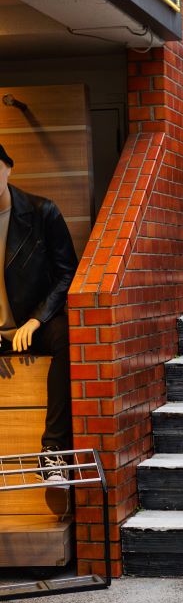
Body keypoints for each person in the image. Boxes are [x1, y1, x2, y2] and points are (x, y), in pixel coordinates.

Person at [0, 144, 77, 483]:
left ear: (8, 168)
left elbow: (67, 273)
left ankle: (53, 452)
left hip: (31, 322)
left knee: (67, 335)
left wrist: (37, 318)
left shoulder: (41, 211)